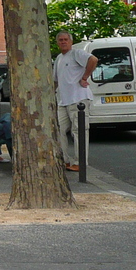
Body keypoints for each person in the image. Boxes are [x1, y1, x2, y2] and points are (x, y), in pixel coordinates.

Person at [53, 31, 98, 172]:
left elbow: (93, 60)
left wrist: (85, 77)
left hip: (79, 99)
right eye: (60, 40)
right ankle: (64, 160)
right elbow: (55, 80)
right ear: (57, 42)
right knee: (59, 130)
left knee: (79, 131)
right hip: (63, 101)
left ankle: (81, 162)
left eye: (66, 39)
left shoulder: (76, 54)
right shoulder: (59, 58)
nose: (63, 42)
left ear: (71, 41)